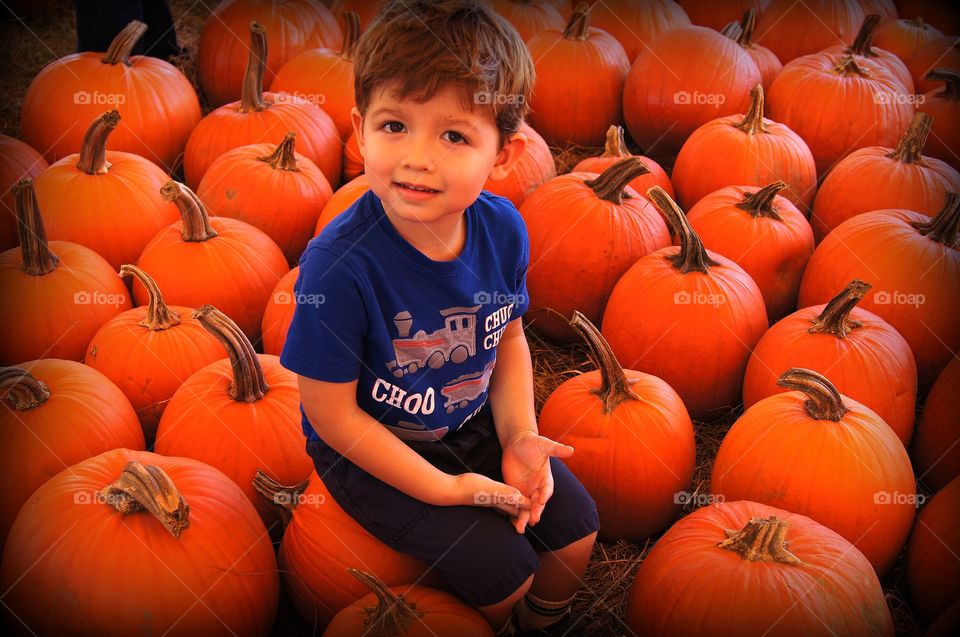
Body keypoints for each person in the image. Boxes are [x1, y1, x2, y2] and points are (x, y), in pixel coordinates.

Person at [279, 1, 599, 635]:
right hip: (375, 450)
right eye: (395, 125)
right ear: (358, 129)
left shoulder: (503, 231)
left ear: (503, 154)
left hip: (470, 420)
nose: (418, 157)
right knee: (503, 570)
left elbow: (506, 340)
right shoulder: (339, 266)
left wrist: (517, 436)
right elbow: (330, 414)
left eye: (454, 135)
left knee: (576, 530)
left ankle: (548, 623)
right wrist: (441, 489)